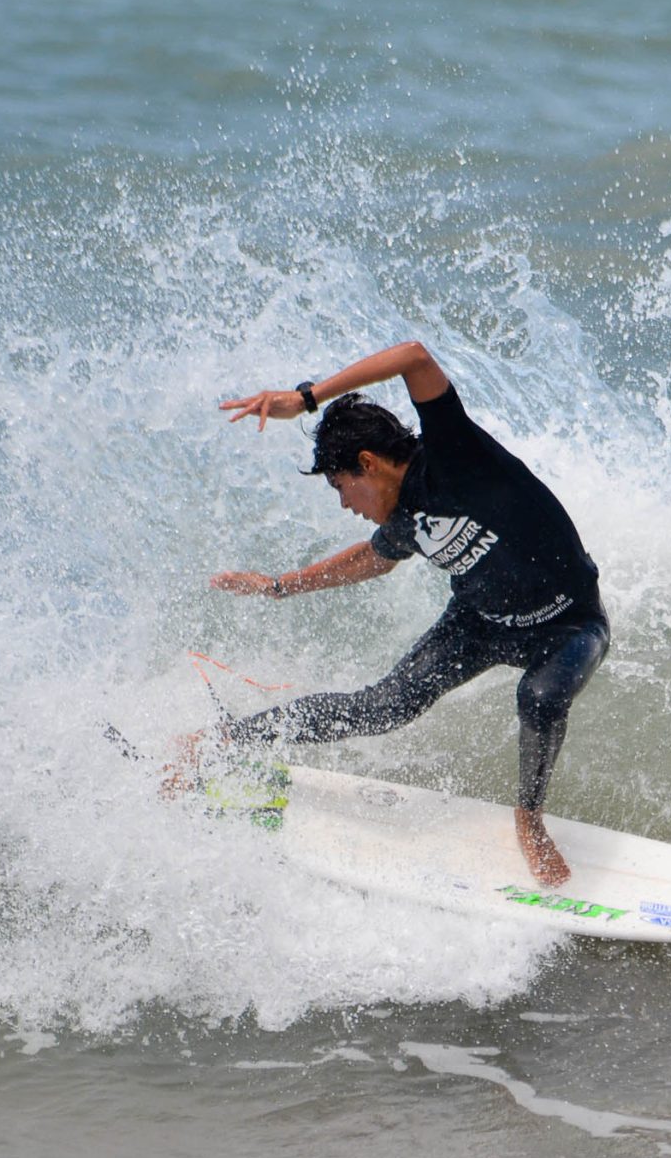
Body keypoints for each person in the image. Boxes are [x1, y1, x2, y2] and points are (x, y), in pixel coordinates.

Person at [181, 340, 608, 886]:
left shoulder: (457, 458)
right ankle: (228, 739)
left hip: (568, 623)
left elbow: (413, 356)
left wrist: (305, 398)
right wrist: (277, 587)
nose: (345, 504)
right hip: (478, 624)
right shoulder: (403, 515)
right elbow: (373, 559)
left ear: (367, 463)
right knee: (380, 708)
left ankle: (528, 818)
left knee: (541, 696)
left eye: (342, 487)